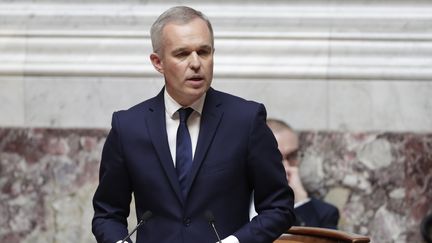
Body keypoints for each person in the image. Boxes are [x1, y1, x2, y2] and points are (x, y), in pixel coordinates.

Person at [91, 6, 295, 243]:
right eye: (182, 54)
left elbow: (279, 208)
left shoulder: (245, 120)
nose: (196, 63)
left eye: (204, 52)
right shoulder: (128, 126)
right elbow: (107, 214)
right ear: (158, 62)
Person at [266, 118, 340, 229]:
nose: (286, 167)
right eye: (276, 157)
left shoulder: (325, 214)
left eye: (292, 156)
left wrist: (300, 201)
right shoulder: (235, 204)